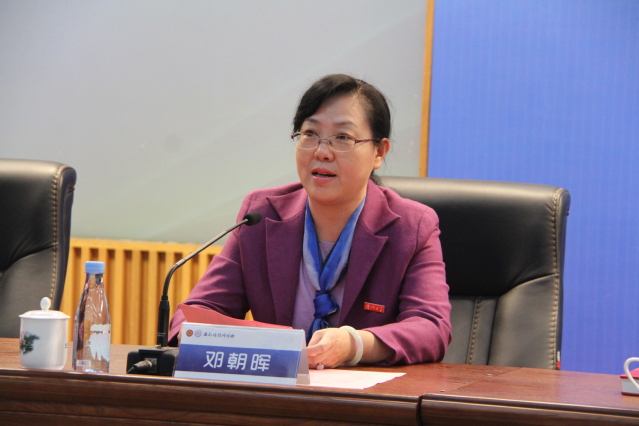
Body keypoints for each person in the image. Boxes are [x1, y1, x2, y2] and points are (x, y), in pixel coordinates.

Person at [169, 74, 452, 367]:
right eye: (310, 134)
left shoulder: (411, 226)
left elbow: (431, 328)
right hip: (276, 389)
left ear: (379, 152)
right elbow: (198, 311)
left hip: (368, 393)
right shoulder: (261, 216)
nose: (322, 152)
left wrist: (354, 345)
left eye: (343, 137)